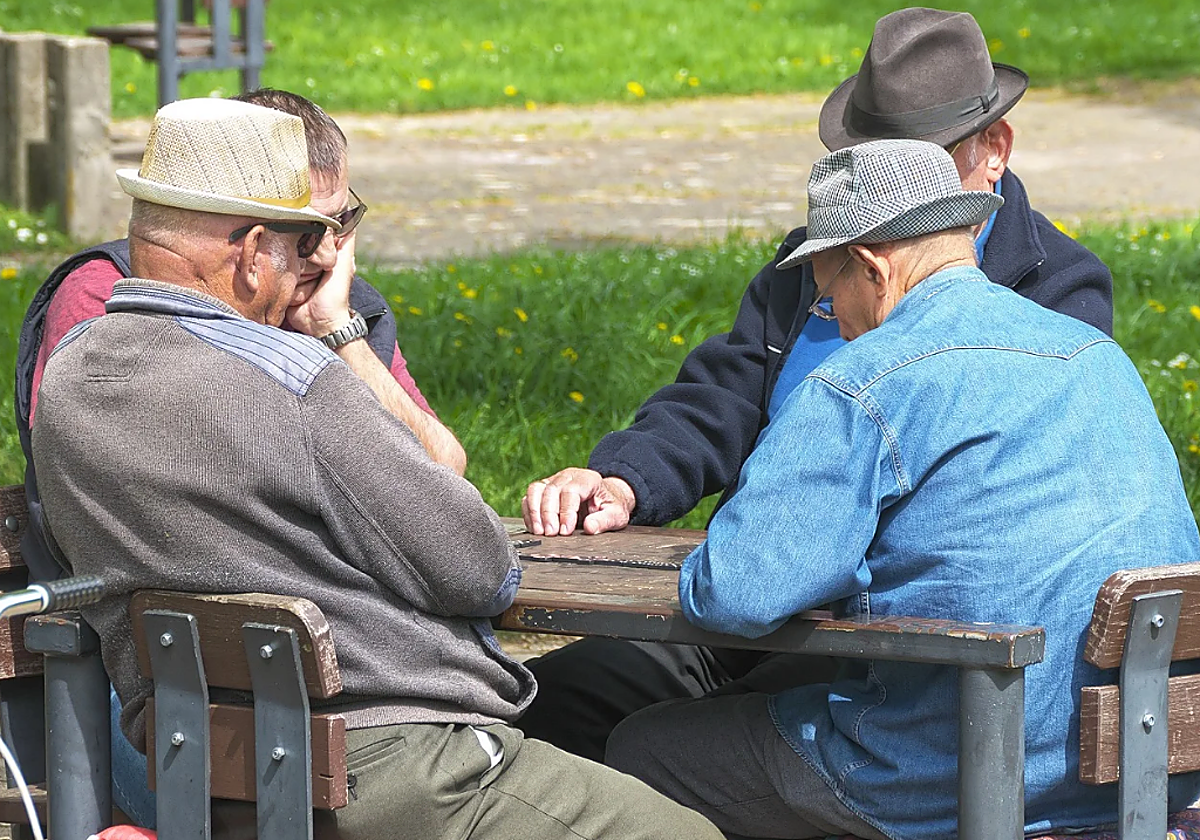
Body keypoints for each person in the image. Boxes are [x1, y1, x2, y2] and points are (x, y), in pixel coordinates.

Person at [30, 97, 722, 840]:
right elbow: (479, 565)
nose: (320, 262)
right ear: (253, 248)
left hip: (201, 769)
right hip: (390, 766)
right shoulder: (292, 380)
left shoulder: (70, 378)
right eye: (304, 244)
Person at [516, 6, 1117, 762]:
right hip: (754, 597)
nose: (886, 186)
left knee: (675, 748)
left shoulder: (1053, 292)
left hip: (892, 634)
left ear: (993, 148)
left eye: (918, 159)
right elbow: (724, 394)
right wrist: (623, 478)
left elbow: (1019, 519)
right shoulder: (817, 260)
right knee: (547, 702)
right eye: (869, 158)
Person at [603, 138, 1200, 840]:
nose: (835, 319)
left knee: (643, 749)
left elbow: (737, 591)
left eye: (827, 299)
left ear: (870, 266)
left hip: (949, 770)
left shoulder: (867, 381)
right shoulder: (1096, 357)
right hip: (1146, 762)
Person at [15, 87, 465, 585]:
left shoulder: (343, 307)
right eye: (305, 234)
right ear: (249, 239)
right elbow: (150, 494)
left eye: (341, 224)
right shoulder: (109, 296)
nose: (328, 257)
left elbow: (443, 487)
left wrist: (339, 333)